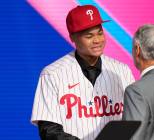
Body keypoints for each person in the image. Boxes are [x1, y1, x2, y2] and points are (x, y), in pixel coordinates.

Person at [31, 5, 135, 140]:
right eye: (89, 36)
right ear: (72, 37)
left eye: (100, 33)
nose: (97, 40)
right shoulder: (52, 74)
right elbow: (49, 131)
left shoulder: (122, 71)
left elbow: (136, 117)